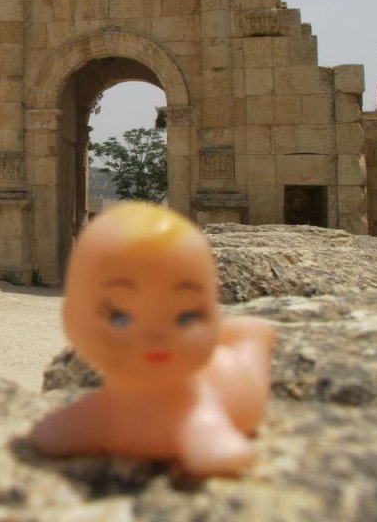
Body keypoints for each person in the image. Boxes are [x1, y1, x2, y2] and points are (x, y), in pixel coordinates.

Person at [29, 201, 276, 476]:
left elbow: (217, 444)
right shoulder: (106, 408)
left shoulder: (195, 407)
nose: (154, 335)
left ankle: (251, 339)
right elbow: (72, 424)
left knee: (246, 361)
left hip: (235, 379)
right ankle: (246, 336)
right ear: (70, 319)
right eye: (120, 317)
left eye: (186, 317)